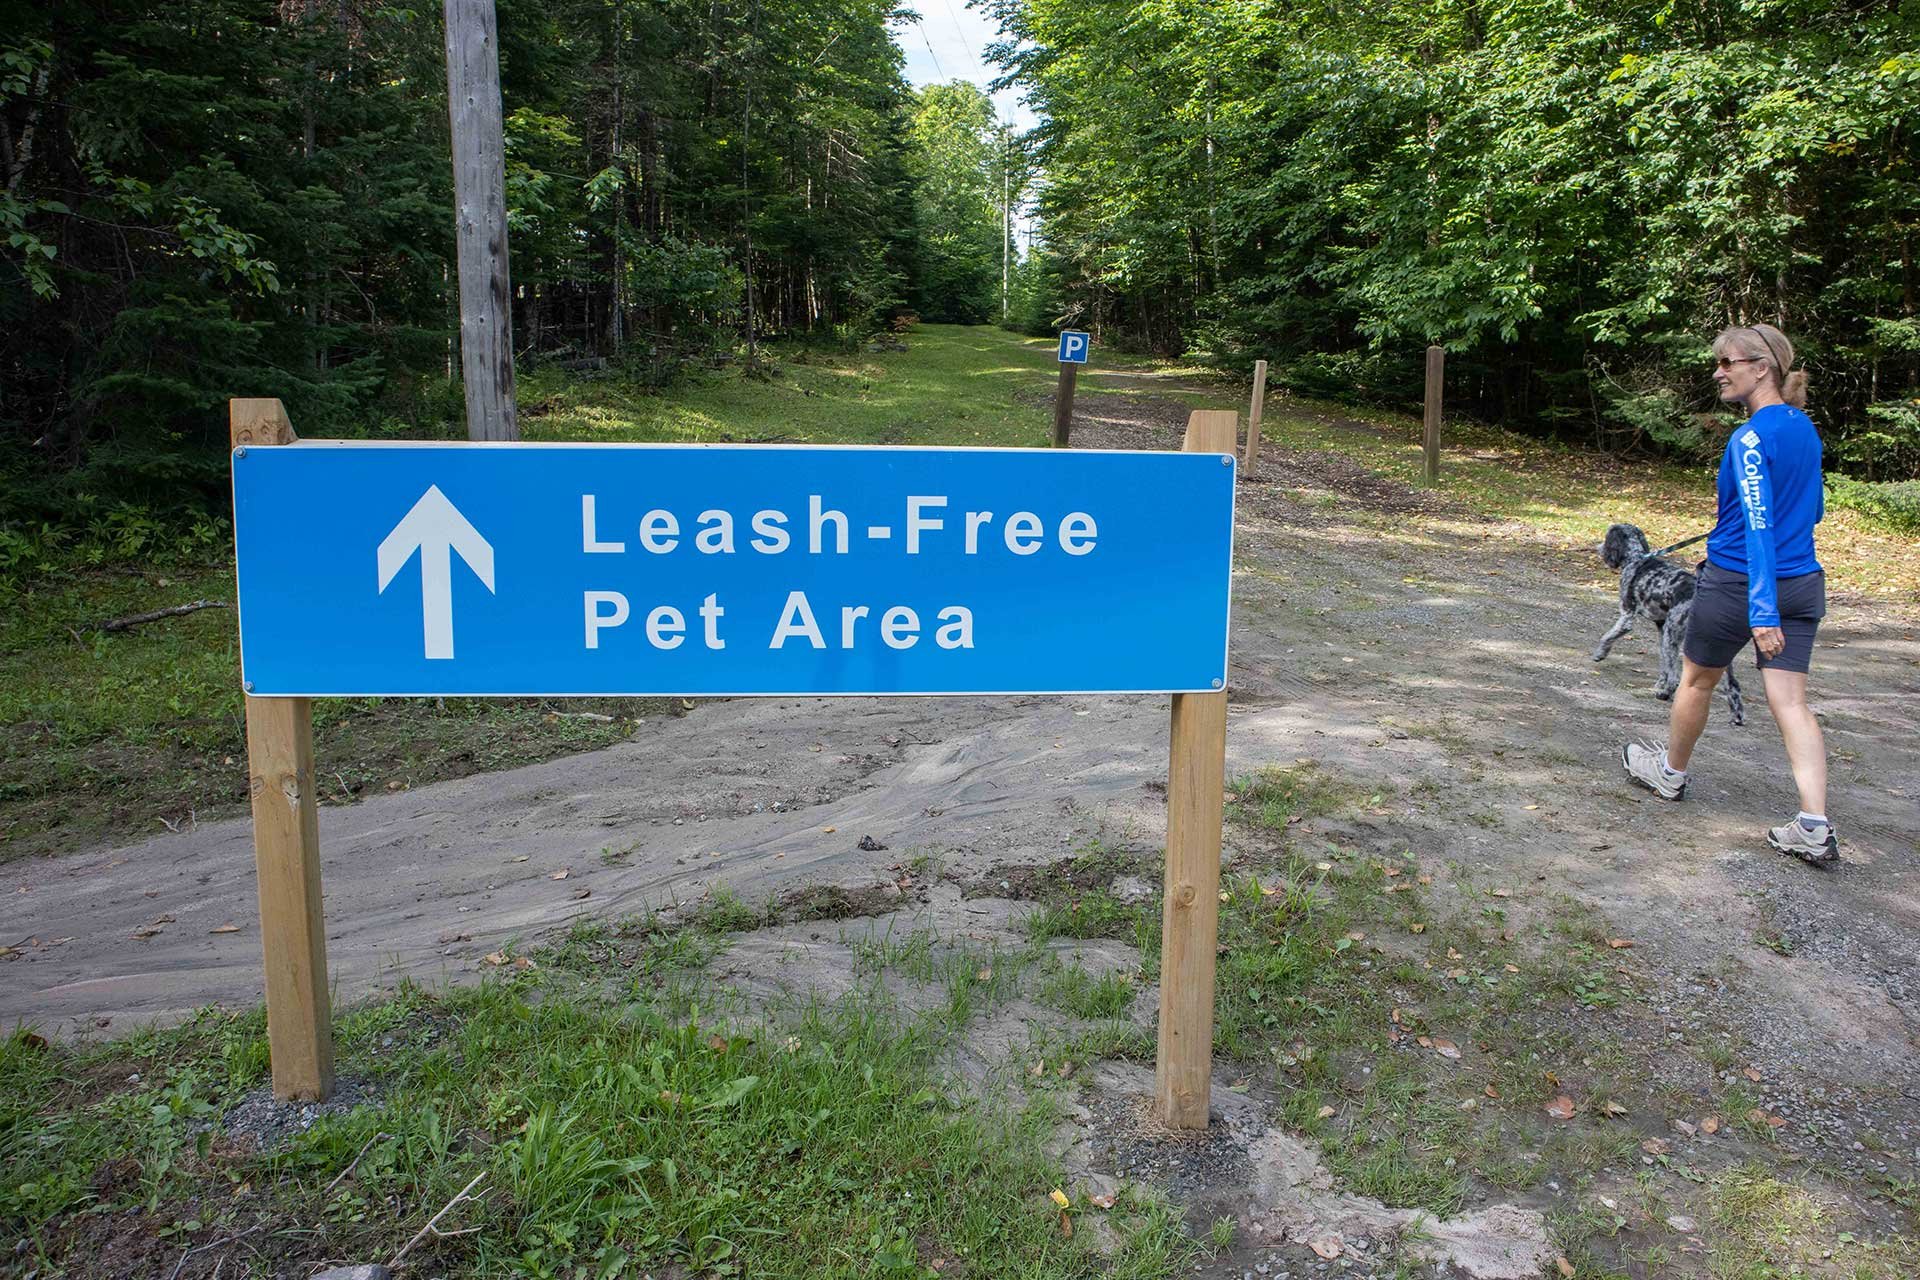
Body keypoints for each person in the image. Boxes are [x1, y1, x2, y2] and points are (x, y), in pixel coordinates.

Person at [1621, 323, 1837, 865]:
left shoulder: (1751, 437)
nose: (1719, 372)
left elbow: (1760, 526)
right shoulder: (1804, 428)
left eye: (1727, 363)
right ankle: (1814, 823)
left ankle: (1669, 775)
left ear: (1760, 368)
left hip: (1742, 583)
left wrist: (1761, 609)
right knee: (1791, 701)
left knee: (1696, 680)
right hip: (1803, 581)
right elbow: (1813, 511)